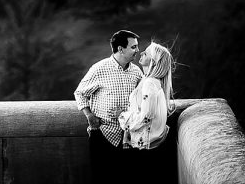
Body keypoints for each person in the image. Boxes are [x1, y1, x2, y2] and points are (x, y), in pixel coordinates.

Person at [74, 29, 144, 180]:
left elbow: (144, 100)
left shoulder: (137, 72)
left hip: (129, 136)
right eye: (133, 47)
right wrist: (89, 115)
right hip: (102, 135)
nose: (138, 50)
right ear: (120, 49)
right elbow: (80, 93)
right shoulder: (99, 68)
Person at [119, 41, 176, 184]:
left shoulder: (150, 83)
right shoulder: (149, 81)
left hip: (147, 149)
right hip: (149, 145)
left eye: (147, 52)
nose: (142, 53)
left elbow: (145, 117)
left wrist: (121, 116)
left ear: (154, 62)